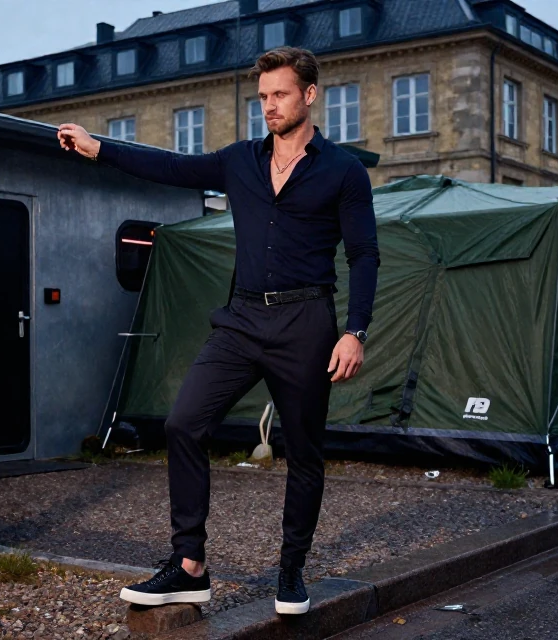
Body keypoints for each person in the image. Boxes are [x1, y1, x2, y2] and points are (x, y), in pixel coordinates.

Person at [56, 46, 379, 616]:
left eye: (280, 95)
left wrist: (355, 331)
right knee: (184, 423)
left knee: (303, 452)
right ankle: (189, 567)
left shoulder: (343, 171)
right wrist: (99, 147)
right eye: (263, 97)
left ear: (308, 94)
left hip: (306, 321)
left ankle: (290, 571)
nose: (270, 106)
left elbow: (365, 254)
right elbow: (170, 167)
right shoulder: (239, 161)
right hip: (242, 318)